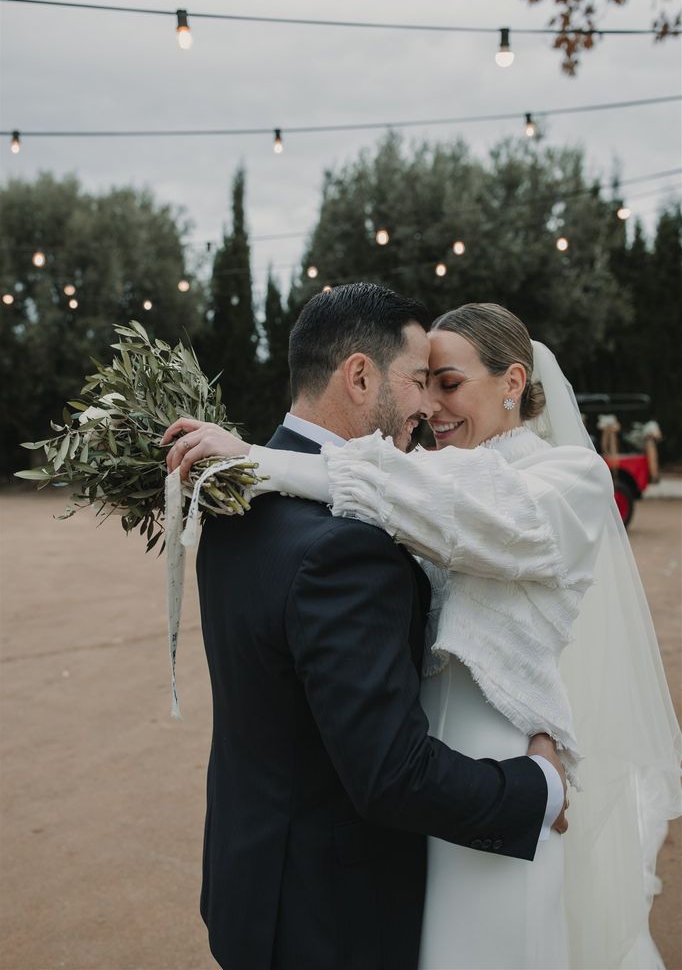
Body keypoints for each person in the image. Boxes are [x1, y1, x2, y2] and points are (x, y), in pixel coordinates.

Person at [164, 292, 681, 970]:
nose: (431, 406)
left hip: (481, 769)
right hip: (428, 792)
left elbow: (455, 505)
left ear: (514, 383)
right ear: (359, 376)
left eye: (449, 384)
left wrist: (261, 460)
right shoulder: (375, 501)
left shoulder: (561, 477)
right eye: (422, 381)